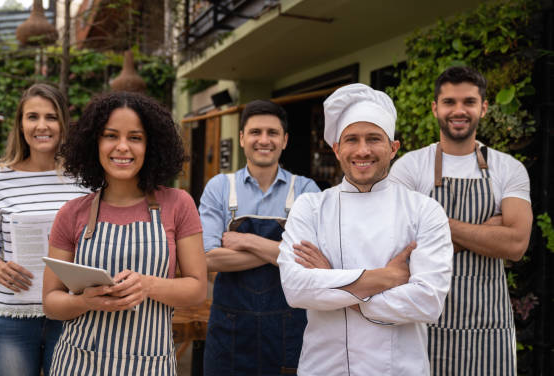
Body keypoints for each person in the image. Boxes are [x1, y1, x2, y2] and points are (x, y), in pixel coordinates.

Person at [277, 83, 454, 375]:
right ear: (336, 149)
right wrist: (387, 278)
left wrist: (329, 278)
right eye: (351, 140)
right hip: (324, 367)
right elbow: (296, 290)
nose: (362, 150)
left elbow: (428, 302)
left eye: (374, 139)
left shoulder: (424, 211)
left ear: (393, 148)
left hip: (397, 368)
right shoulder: (310, 208)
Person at [42, 91, 207, 376]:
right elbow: (51, 303)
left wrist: (147, 285)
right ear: (95, 143)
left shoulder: (179, 204)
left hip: (149, 364)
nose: (122, 147)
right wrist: (84, 301)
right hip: (79, 363)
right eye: (110, 135)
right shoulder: (72, 213)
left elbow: (196, 289)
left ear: (151, 145)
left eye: (135, 137)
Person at [389, 66, 533, 375]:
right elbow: (397, 247)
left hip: (488, 327)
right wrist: (489, 231)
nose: (458, 110)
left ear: (483, 107)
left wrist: (434, 227)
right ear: (435, 108)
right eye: (449, 102)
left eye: (468, 102)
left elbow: (517, 244)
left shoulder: (508, 169)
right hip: (424, 325)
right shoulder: (409, 168)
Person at [0, 83, 91, 376]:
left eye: (51, 117)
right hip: (14, 316)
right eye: (33, 117)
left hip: (71, 313)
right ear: (21, 123)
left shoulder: (85, 180)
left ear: (63, 124)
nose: (42, 126)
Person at [199, 100, 320, 375]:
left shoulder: (306, 189)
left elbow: (310, 261)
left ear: (285, 140)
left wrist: (245, 241)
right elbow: (208, 258)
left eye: (272, 133)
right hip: (229, 330)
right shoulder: (219, 187)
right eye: (255, 132)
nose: (263, 140)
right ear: (242, 138)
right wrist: (281, 252)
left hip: (289, 328)